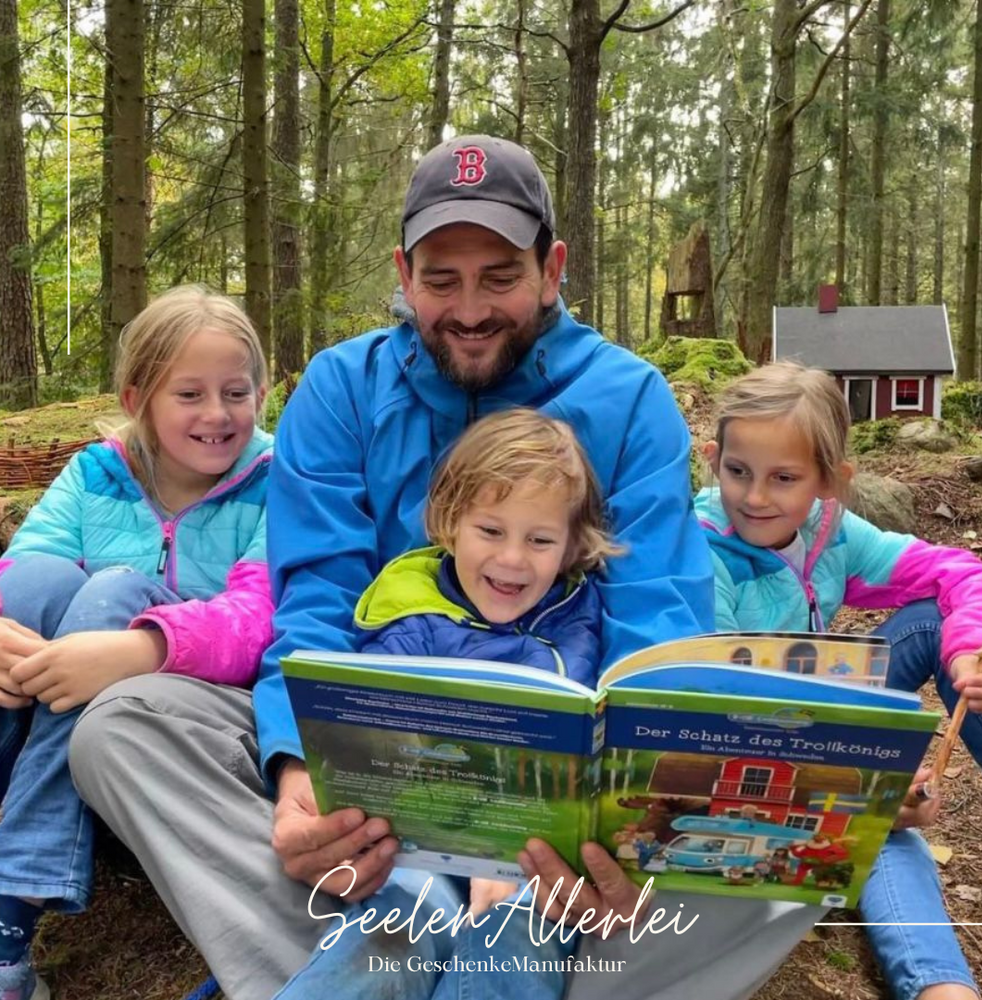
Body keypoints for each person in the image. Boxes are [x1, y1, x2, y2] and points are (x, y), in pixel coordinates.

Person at [67, 135, 819, 1000]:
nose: (468, 309)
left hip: (558, 829)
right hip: (381, 797)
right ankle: (417, 937)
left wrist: (614, 830)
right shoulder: (342, 388)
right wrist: (299, 768)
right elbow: (314, 599)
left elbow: (657, 622)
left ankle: (398, 956)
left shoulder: (630, 398)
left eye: (499, 275)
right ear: (403, 271)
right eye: (440, 279)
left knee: (788, 847)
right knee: (123, 727)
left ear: (552, 267)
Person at [276, 407, 619, 999]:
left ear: (569, 548)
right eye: (491, 531)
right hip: (415, 849)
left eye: (539, 540)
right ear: (450, 522)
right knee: (391, 932)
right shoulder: (411, 611)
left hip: (532, 868)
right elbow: (368, 734)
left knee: (514, 944)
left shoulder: (578, 621)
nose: (512, 559)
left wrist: (513, 869)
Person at [0, 285, 273, 1000]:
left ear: (262, 393)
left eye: (235, 392)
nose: (217, 414)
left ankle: (11, 914)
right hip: (68, 688)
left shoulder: (278, 479)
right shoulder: (99, 471)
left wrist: (138, 646)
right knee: (30, 587)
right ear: (137, 399)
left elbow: (258, 617)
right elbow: (21, 570)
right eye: (189, 394)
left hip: (191, 696)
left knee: (115, 588)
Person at [697, 359, 982, 1000]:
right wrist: (873, 786)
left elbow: (965, 575)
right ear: (712, 458)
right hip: (746, 749)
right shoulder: (701, 554)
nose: (754, 497)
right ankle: (940, 984)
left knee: (941, 627)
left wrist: (969, 651)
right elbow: (716, 712)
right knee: (886, 835)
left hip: (822, 713)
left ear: (830, 482)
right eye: (738, 472)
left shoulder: (828, 533)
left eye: (784, 478)